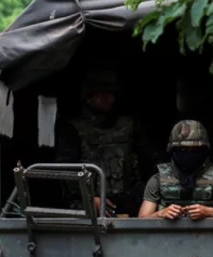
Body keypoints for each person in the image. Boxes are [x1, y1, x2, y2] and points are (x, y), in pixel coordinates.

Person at [55, 69, 152, 216]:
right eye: (98, 94)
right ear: (88, 97)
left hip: (128, 203)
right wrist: (88, 198)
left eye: (108, 93)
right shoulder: (73, 129)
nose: (104, 98)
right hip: (87, 205)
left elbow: (148, 162)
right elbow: (65, 172)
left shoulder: (130, 126)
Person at [138, 121, 213, 221]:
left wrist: (211, 213)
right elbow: (140, 221)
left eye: (194, 150)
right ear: (173, 151)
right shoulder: (158, 178)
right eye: (182, 150)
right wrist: (160, 214)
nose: (188, 155)